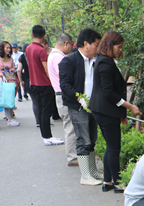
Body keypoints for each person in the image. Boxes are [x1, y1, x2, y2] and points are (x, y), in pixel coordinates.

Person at [89, 30, 142, 193]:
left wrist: (121, 114)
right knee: (114, 147)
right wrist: (129, 106)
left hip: (104, 110)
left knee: (110, 146)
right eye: (119, 46)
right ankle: (118, 183)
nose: (120, 50)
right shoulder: (105, 63)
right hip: (105, 111)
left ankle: (108, 181)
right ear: (109, 45)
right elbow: (109, 93)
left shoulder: (104, 60)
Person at [60, 28, 104, 186]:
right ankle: (85, 175)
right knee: (83, 139)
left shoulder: (96, 60)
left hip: (94, 106)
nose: (98, 48)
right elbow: (64, 84)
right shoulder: (69, 61)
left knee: (92, 139)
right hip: (78, 106)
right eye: (96, 44)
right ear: (86, 44)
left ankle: (93, 171)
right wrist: (79, 98)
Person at [26, 25, 63, 145]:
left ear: (32, 35)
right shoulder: (41, 50)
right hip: (45, 84)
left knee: (41, 110)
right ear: (44, 36)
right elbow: (46, 69)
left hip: (34, 83)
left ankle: (45, 136)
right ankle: (48, 137)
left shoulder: (28, 48)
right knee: (47, 111)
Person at [48, 33, 77, 166]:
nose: (72, 48)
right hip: (63, 95)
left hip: (60, 94)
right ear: (66, 43)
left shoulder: (52, 55)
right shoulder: (58, 58)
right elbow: (65, 77)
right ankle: (73, 157)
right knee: (70, 126)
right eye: (71, 44)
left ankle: (73, 156)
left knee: (69, 125)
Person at [0, 41, 20, 127]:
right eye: (7, 48)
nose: (9, 49)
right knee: (5, 99)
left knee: (10, 99)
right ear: (2, 49)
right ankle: (9, 119)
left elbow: (12, 68)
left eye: (9, 48)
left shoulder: (11, 58)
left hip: (9, 81)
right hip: (0, 80)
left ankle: (10, 118)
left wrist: (12, 70)